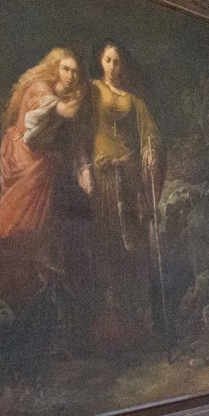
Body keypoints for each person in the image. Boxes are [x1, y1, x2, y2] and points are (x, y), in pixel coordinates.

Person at [81, 41, 168, 343]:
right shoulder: (91, 91)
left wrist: (150, 151)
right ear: (100, 61)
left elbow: (150, 134)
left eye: (118, 62)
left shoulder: (135, 101)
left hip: (129, 177)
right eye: (108, 60)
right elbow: (78, 124)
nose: (113, 67)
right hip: (103, 176)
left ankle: (136, 321)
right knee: (106, 243)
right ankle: (108, 323)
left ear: (124, 66)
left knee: (133, 246)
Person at [0, 47, 84, 312]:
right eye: (65, 69)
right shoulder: (41, 88)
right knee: (16, 221)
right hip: (23, 160)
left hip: (40, 164)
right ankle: (7, 290)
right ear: (55, 68)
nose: (70, 75)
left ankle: (30, 291)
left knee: (40, 227)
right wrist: (66, 106)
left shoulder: (64, 93)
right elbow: (47, 108)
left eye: (75, 71)